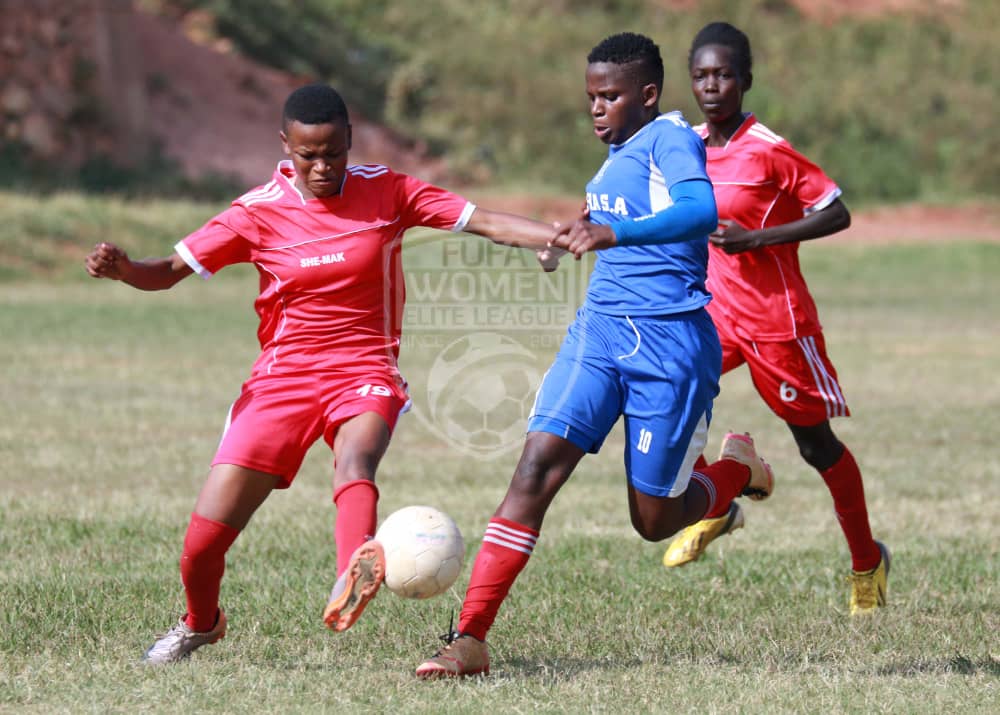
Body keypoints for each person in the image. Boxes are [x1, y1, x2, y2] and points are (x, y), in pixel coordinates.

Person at [85, 83, 565, 664]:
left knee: (356, 457)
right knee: (201, 547)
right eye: (307, 154)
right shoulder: (255, 213)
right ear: (284, 145)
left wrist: (561, 237)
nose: (321, 166)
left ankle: (351, 575)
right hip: (281, 380)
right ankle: (200, 623)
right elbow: (164, 272)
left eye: (333, 153)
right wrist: (124, 269)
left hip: (365, 366)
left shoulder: (387, 191)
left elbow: (483, 221)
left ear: (350, 143)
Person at [414, 32, 775, 679]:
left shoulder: (672, 139)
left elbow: (700, 209)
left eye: (610, 96)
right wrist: (573, 228)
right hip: (600, 333)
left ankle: (731, 471)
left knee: (654, 519)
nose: (597, 108)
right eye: (590, 97)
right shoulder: (617, 156)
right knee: (534, 471)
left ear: (647, 94)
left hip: (669, 348)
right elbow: (612, 204)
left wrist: (615, 231)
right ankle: (468, 638)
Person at [660, 22, 889, 617]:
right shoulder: (684, 145)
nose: (712, 86)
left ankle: (867, 560)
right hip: (711, 314)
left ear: (745, 80)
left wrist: (755, 239)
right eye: (702, 76)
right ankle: (725, 496)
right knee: (664, 406)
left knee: (816, 447)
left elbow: (835, 212)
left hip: (775, 324)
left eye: (724, 75)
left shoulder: (768, 149)